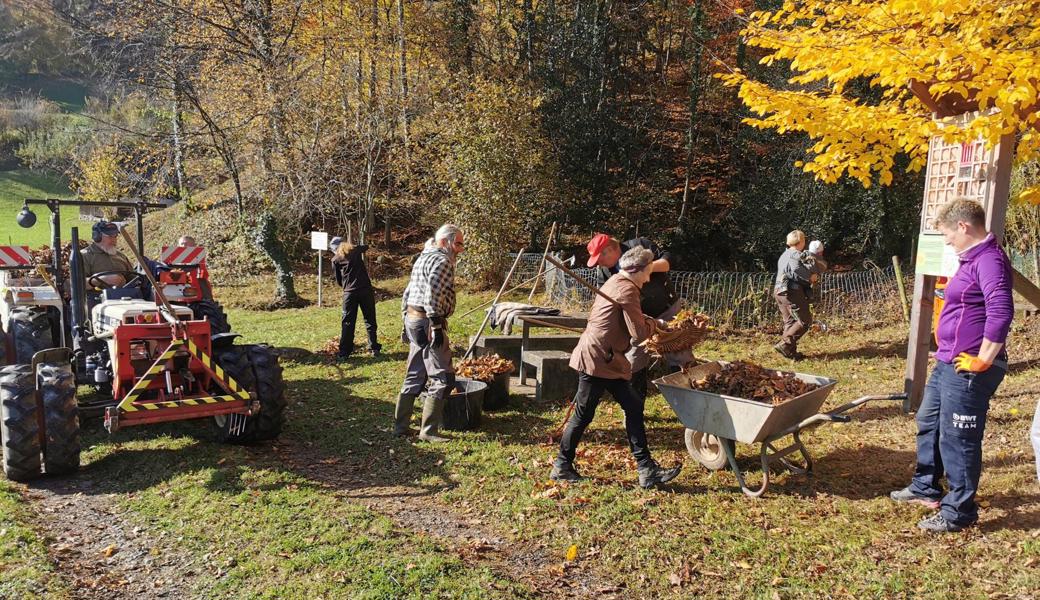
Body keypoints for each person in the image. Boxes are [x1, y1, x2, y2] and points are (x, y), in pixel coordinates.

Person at [889, 198, 1013, 533]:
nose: (946, 241)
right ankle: (926, 486)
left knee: (958, 438)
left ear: (964, 226)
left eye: (948, 234)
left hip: (970, 369)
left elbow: (1001, 310)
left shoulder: (989, 260)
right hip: (948, 362)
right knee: (929, 422)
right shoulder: (969, 258)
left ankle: (959, 511)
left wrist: (983, 358)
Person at [552, 246, 683, 489]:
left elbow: (630, 323)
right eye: (648, 271)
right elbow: (638, 335)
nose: (649, 277)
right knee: (583, 414)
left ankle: (646, 469)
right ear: (640, 270)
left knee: (633, 406)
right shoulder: (626, 289)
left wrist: (648, 322)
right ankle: (562, 466)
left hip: (608, 358)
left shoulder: (616, 281)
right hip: (598, 359)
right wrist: (657, 324)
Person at [586, 233, 680, 399]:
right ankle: (635, 406)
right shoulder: (605, 272)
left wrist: (646, 268)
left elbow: (668, 260)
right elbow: (606, 297)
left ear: (610, 249)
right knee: (634, 360)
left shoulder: (639, 245)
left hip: (665, 308)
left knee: (678, 352)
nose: (599, 263)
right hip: (637, 318)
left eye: (600, 257)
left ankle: (685, 398)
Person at [394, 224, 464, 442]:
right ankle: (429, 431)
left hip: (413, 318)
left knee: (415, 373)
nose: (460, 249)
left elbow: (408, 292)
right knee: (444, 378)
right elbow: (432, 293)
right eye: (458, 244)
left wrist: (406, 321)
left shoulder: (423, 257)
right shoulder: (442, 261)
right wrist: (435, 326)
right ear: (444, 242)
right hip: (427, 321)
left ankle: (400, 426)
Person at [331, 235, 380, 360]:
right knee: (370, 319)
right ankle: (374, 347)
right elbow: (366, 246)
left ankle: (344, 352)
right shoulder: (355, 251)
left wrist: (346, 285)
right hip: (365, 289)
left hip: (350, 293)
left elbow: (338, 280)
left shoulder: (336, 259)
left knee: (347, 322)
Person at [773, 230, 814, 360]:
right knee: (805, 320)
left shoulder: (784, 255)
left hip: (779, 291)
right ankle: (785, 344)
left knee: (790, 321)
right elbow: (796, 270)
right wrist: (810, 277)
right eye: (804, 240)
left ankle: (790, 352)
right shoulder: (795, 254)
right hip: (792, 290)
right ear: (801, 241)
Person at [81, 220, 135, 288]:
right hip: (96, 297)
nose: (114, 240)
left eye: (115, 236)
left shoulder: (121, 256)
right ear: (97, 237)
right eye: (110, 236)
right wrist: (102, 279)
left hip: (126, 296)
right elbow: (77, 285)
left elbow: (134, 279)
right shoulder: (84, 256)